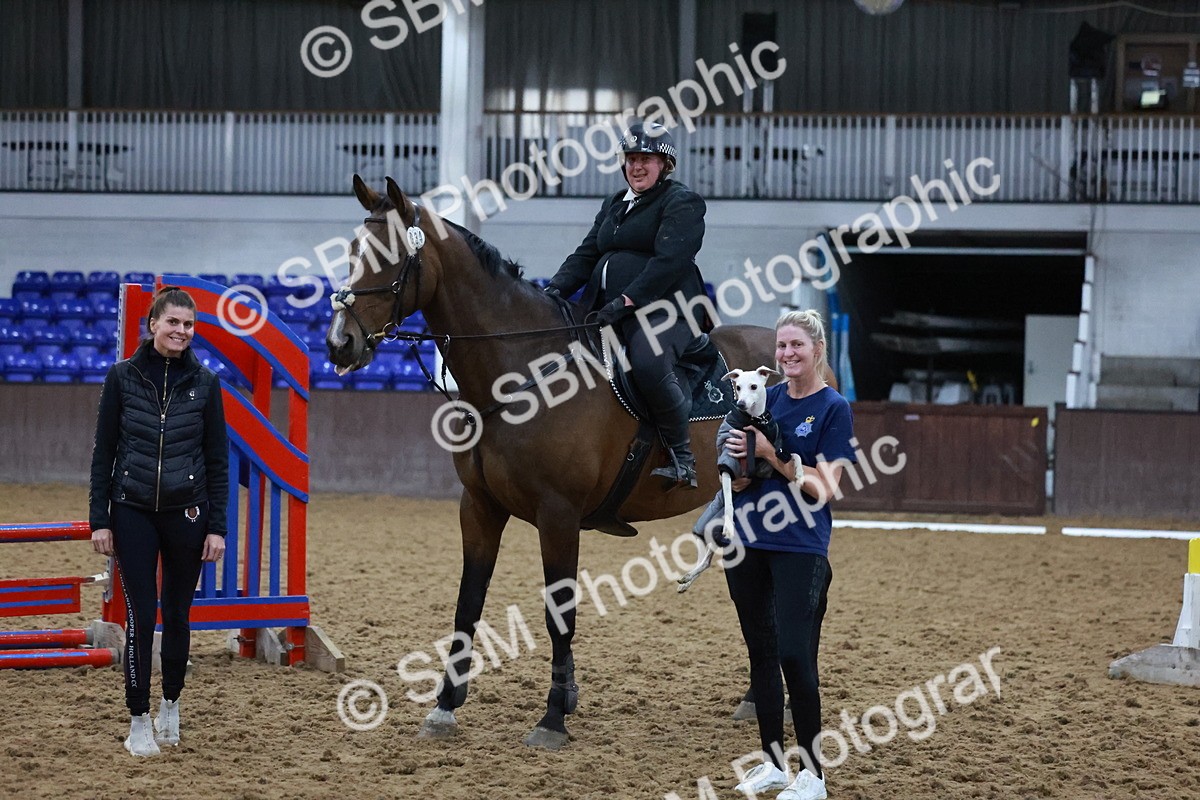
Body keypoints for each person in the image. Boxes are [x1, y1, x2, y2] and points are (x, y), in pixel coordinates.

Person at [721, 310, 856, 800]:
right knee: (761, 655)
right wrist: (738, 469)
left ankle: (814, 775)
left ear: (817, 349)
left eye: (796, 345)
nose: (787, 354)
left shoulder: (834, 408)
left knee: (797, 656)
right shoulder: (764, 398)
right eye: (781, 347)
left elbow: (826, 488)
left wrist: (770, 456)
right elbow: (742, 471)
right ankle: (775, 765)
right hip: (747, 543)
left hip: (801, 547)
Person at [89, 286, 229, 757]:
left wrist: (218, 527)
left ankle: (171, 703)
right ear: (153, 325)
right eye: (173, 323)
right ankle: (138, 719)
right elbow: (103, 452)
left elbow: (217, 461)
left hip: (188, 514)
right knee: (141, 615)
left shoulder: (206, 385)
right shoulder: (121, 377)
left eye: (189, 325)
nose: (181, 332)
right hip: (130, 512)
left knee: (177, 614)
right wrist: (99, 519)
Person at [544, 120, 708, 488]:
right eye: (631, 158)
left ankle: (682, 458)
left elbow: (669, 262)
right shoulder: (615, 203)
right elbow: (586, 254)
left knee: (648, 362)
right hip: (607, 308)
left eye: (646, 159)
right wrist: (554, 290)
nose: (637, 166)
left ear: (664, 165)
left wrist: (627, 299)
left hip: (666, 310)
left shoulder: (681, 202)